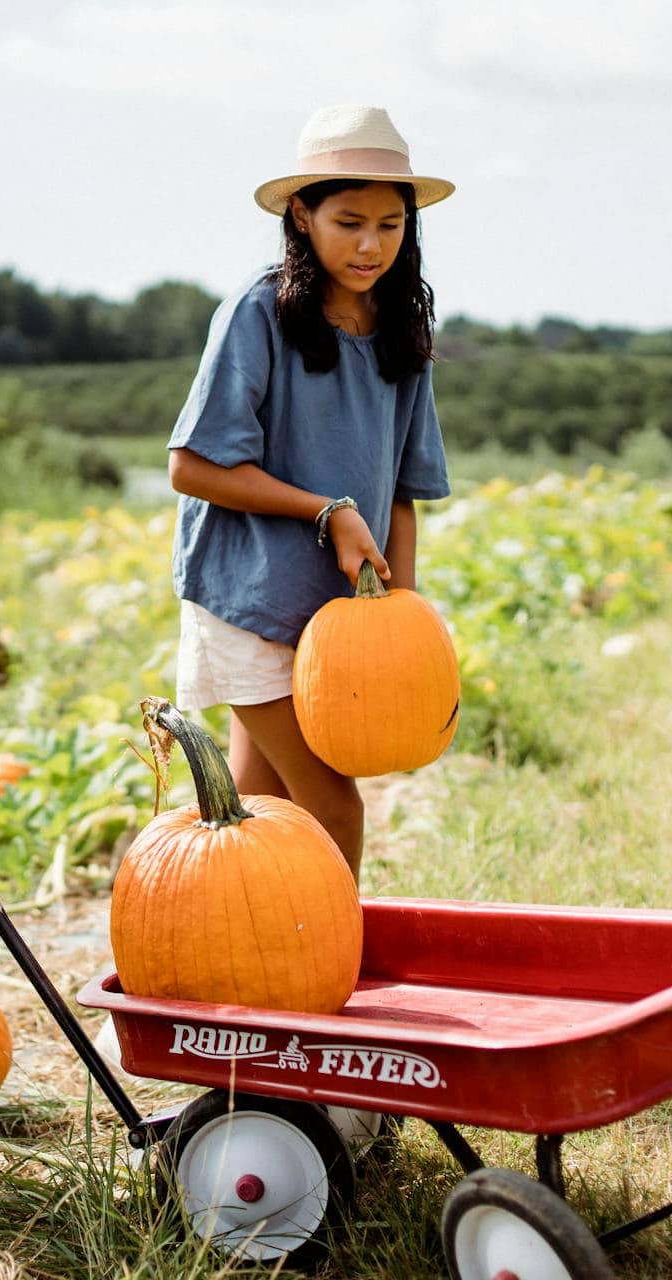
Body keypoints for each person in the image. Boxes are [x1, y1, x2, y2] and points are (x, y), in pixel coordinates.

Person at [167, 105, 453, 878]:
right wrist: (326, 510)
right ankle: (333, 982)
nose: (370, 245)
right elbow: (191, 467)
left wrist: (404, 615)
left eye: (391, 226)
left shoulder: (401, 327)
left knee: (263, 824)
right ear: (303, 214)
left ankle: (252, 981)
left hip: (334, 626)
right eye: (349, 221)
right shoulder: (258, 315)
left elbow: (401, 489)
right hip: (250, 598)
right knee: (332, 807)